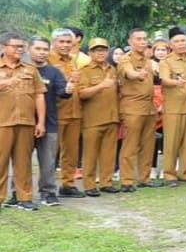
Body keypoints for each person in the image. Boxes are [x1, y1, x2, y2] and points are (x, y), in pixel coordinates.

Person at [0, 32, 45, 210]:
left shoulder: (30, 69)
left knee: (24, 162)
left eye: (21, 46)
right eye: (15, 46)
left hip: (26, 122)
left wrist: (40, 122)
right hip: (2, 122)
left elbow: (39, 95)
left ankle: (24, 197)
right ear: (4, 47)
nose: (19, 49)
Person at [26, 36, 69, 206]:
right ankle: (19, 193)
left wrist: (69, 88)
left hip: (49, 123)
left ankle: (49, 192)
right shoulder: (23, 70)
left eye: (45, 49)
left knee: (48, 161)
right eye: (38, 49)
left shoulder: (54, 72)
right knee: (21, 161)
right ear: (29, 49)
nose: (42, 53)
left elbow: (63, 92)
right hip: (23, 122)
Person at [78, 38, 120, 196]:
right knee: (90, 154)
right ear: (90, 53)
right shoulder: (85, 70)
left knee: (109, 153)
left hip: (111, 117)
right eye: (96, 50)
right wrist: (101, 86)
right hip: (93, 119)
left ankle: (106, 182)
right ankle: (89, 185)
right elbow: (81, 93)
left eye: (103, 50)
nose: (100, 53)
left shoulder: (112, 69)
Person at [117, 28, 157, 192]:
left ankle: (144, 178)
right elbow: (129, 73)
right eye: (138, 39)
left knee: (148, 145)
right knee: (130, 145)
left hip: (149, 107)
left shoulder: (148, 59)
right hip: (132, 106)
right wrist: (137, 74)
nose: (142, 42)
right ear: (130, 42)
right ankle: (126, 180)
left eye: (144, 39)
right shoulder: (125, 59)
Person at [159, 27, 186, 186]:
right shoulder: (166, 61)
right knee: (172, 142)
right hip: (174, 109)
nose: (181, 44)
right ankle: (169, 175)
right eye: (177, 41)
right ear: (171, 44)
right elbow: (164, 80)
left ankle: (185, 173)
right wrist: (175, 82)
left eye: (183, 40)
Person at [48, 28, 84, 198]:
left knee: (71, 151)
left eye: (68, 42)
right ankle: (46, 187)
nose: (65, 45)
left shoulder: (72, 60)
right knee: (49, 152)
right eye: (61, 42)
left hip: (74, 111)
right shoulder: (47, 60)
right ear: (53, 42)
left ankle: (67, 184)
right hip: (55, 112)